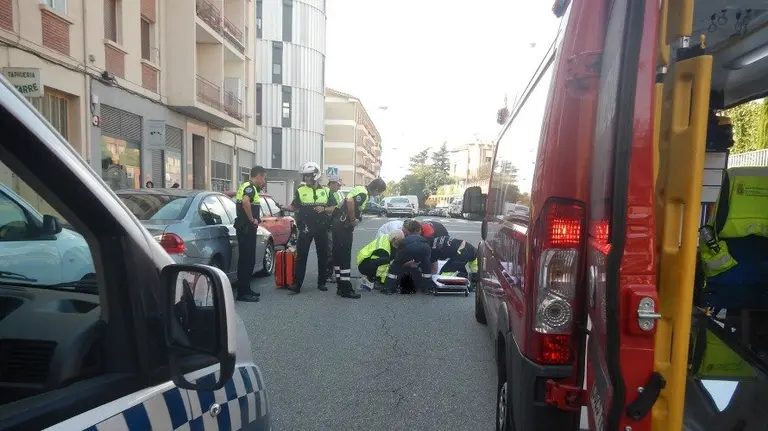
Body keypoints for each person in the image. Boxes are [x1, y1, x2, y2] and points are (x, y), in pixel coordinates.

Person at [278, 162, 334, 294]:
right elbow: (294, 206)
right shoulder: (300, 190)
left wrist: (324, 208)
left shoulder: (326, 191)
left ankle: (322, 282)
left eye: (307, 176)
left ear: (315, 175)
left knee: (323, 256)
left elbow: (333, 207)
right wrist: (284, 207)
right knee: (301, 256)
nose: (305, 179)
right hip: (305, 227)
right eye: (304, 176)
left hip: (322, 228)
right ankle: (297, 285)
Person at [332, 178, 387, 298]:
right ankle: (346, 289)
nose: (378, 195)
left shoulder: (358, 188)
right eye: (379, 192)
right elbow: (350, 201)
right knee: (345, 257)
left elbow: (342, 203)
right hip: (344, 226)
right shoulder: (363, 193)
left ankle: (340, 286)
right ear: (376, 189)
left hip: (337, 224)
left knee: (338, 257)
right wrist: (352, 220)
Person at [232, 165, 267, 302]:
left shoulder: (250, 187)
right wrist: (252, 219)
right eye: (263, 178)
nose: (263, 181)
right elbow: (246, 201)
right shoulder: (249, 187)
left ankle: (246, 289)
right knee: (246, 261)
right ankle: (242, 293)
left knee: (248, 260)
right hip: (246, 230)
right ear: (258, 176)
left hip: (247, 230)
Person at [382, 225, 432, 295]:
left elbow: (402, 255)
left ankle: (388, 288)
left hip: (409, 248)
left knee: (395, 266)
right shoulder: (420, 237)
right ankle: (426, 289)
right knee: (426, 266)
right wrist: (416, 262)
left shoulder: (404, 239)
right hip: (425, 248)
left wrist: (401, 262)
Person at [324, 178, 343, 283]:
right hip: (327, 225)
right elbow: (333, 209)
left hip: (333, 225)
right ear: (332, 184)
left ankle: (329, 273)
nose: (339, 187)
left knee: (332, 250)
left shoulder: (336, 194)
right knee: (330, 251)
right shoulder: (327, 192)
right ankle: (327, 274)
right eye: (337, 184)